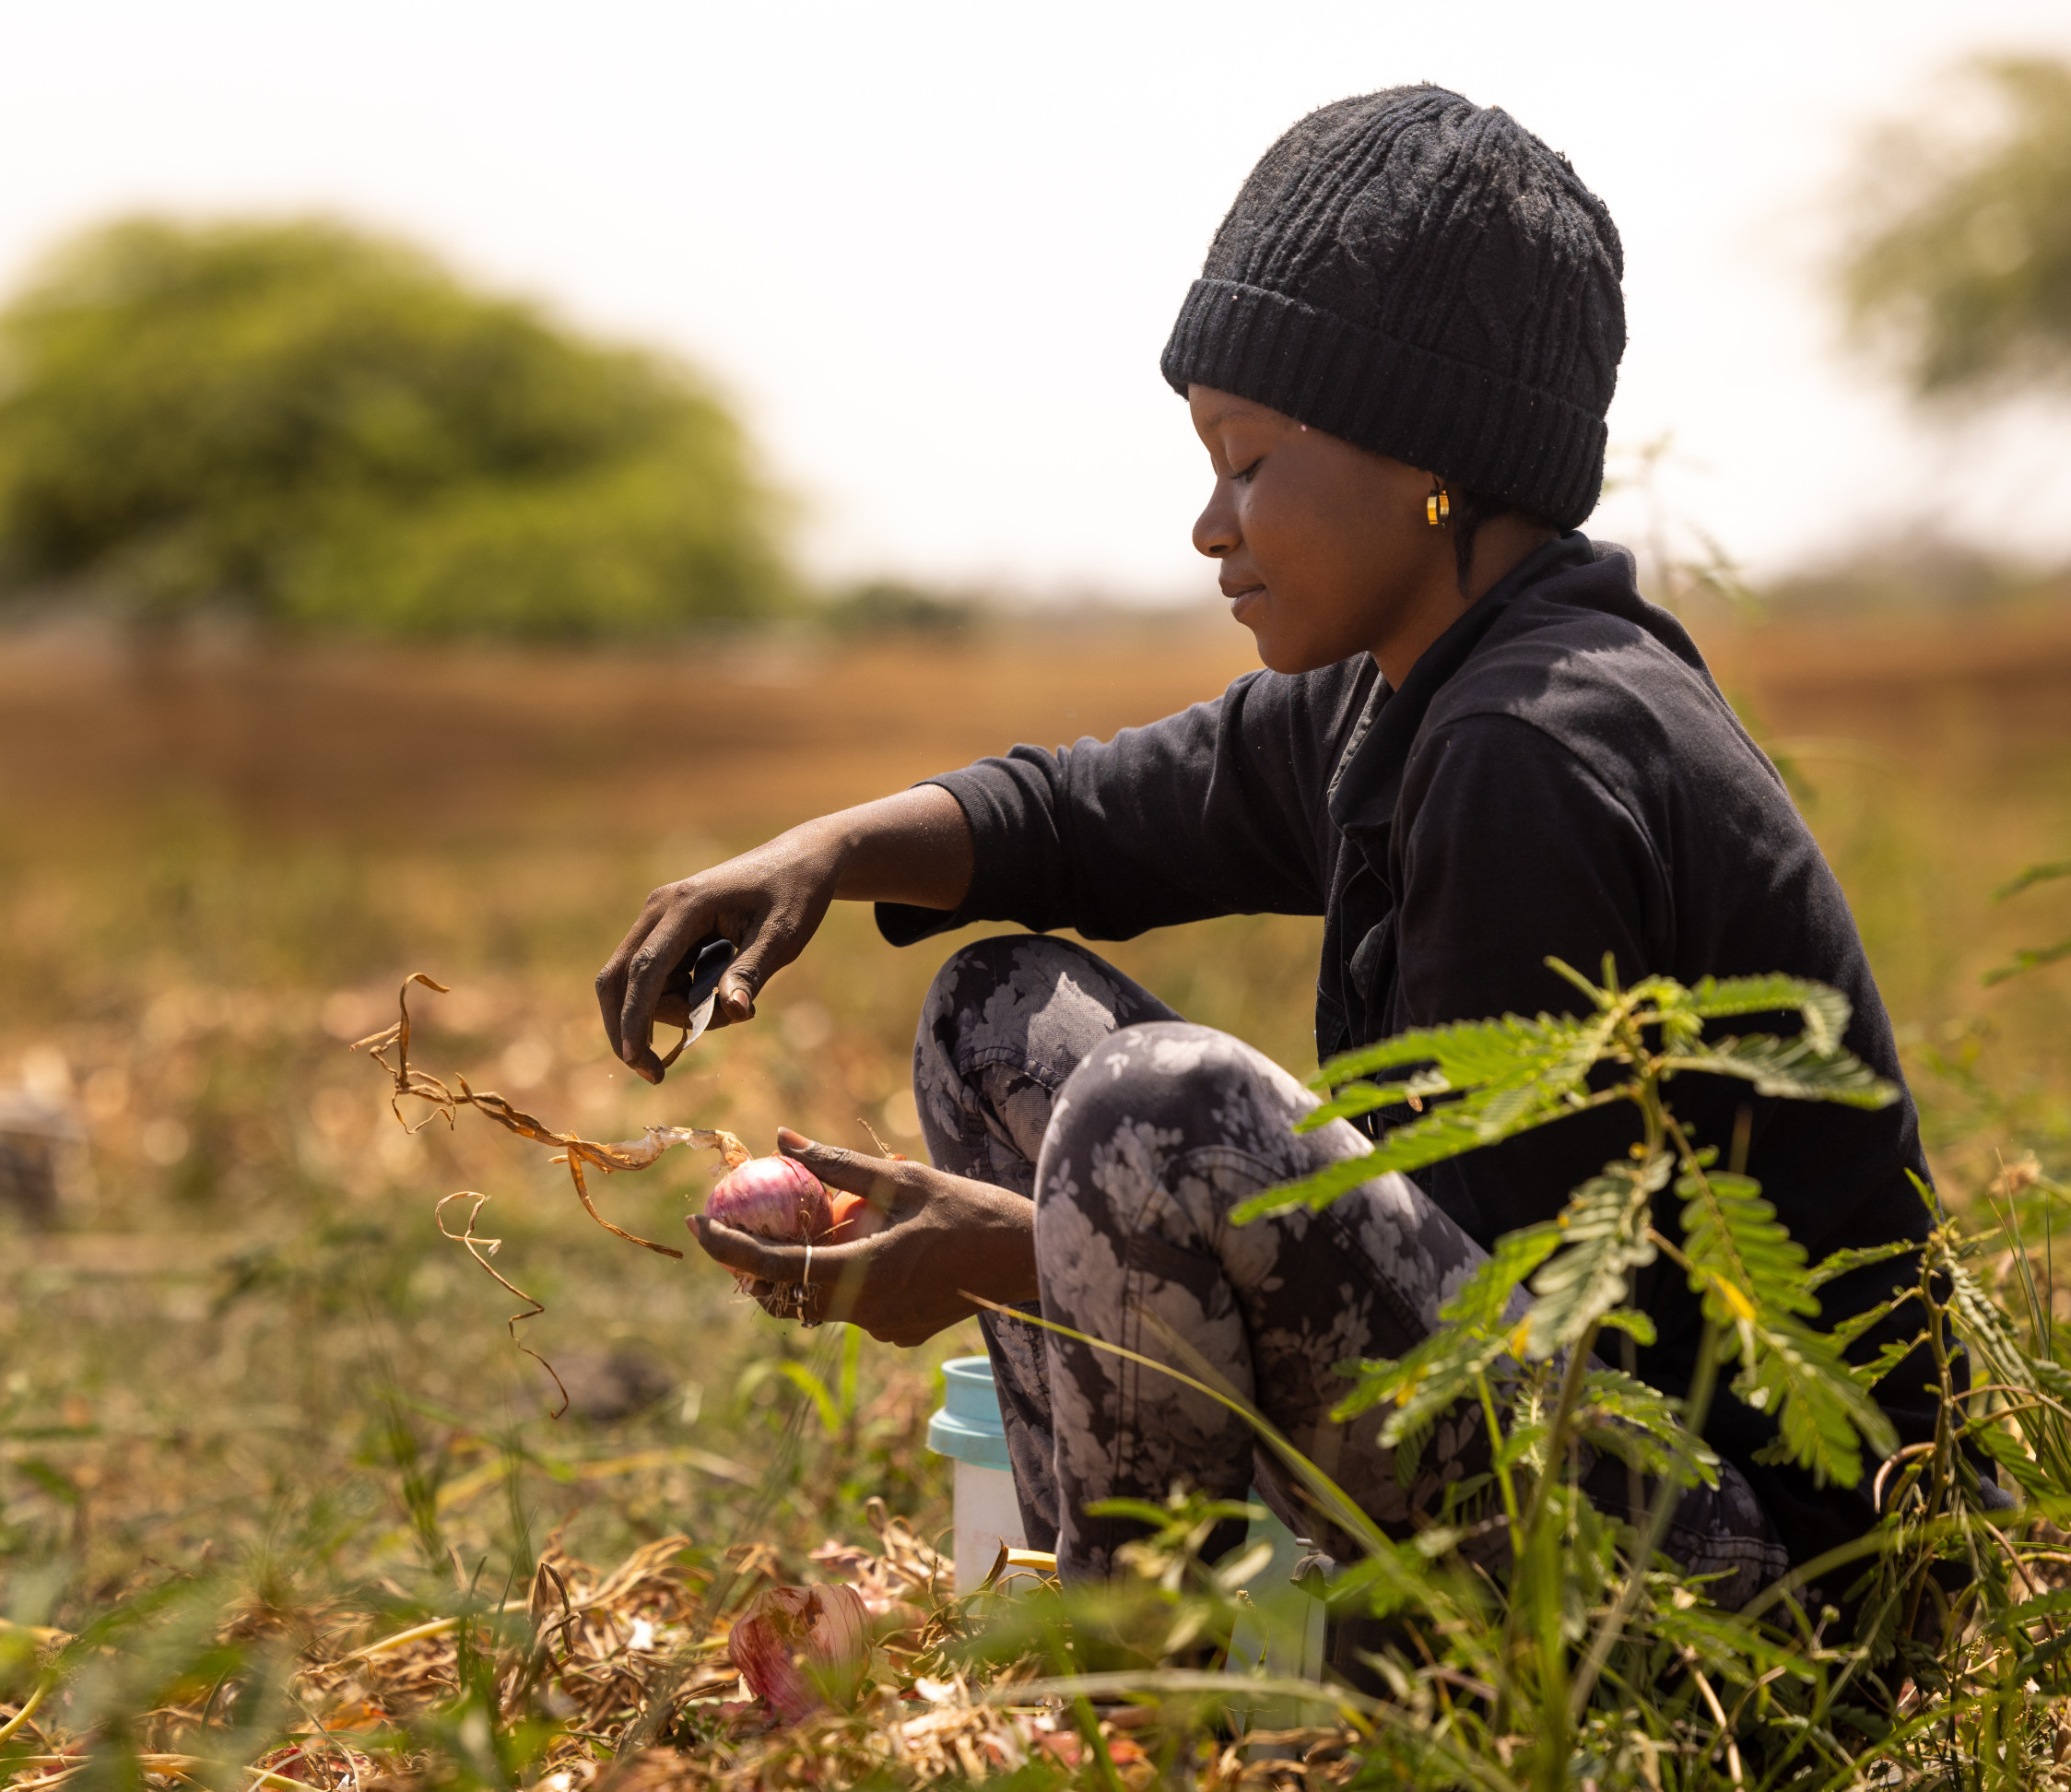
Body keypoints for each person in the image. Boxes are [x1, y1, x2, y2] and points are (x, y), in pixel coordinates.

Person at [594, 86, 1937, 1610]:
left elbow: (1525, 1327)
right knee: (998, 1018)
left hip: (1755, 1591)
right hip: (1551, 1455)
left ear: (1431, 461)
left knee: (1166, 1111)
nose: (1208, 527)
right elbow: (1083, 815)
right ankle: (1134, 1631)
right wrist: (822, 854)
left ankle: (1148, 1702)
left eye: (1247, 464)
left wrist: (1022, 1256)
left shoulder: (1535, 749)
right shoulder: (1398, 695)